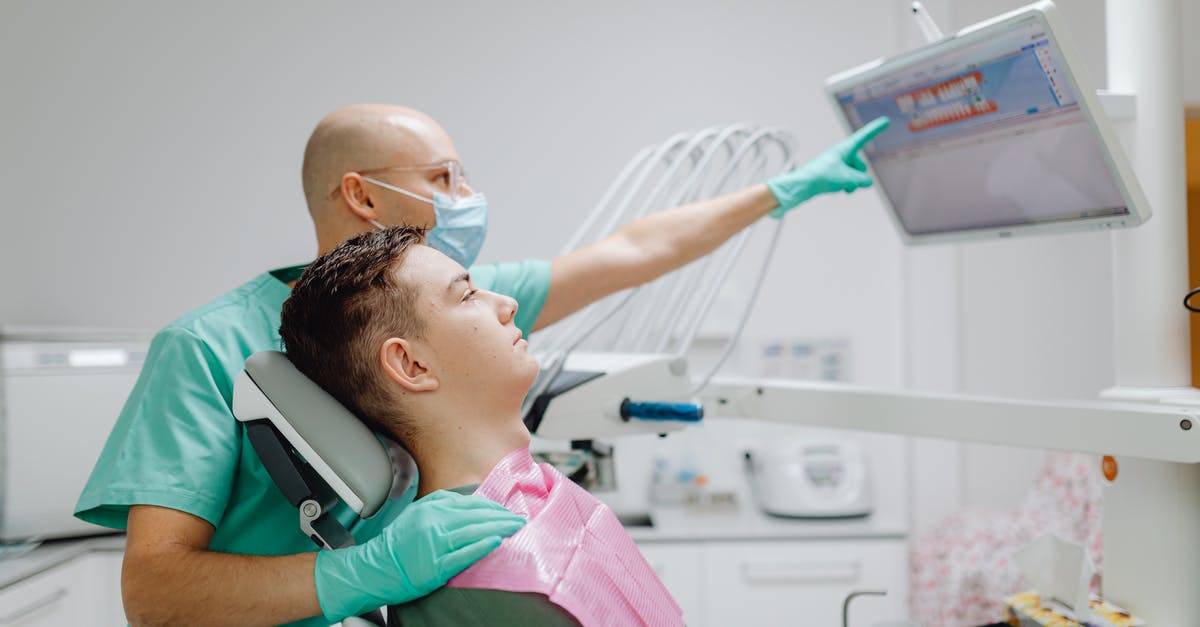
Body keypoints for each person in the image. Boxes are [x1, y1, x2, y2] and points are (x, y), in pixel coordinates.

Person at [75, 102, 888, 626]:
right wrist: (365, 571)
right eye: (443, 179)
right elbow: (153, 593)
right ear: (360, 195)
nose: (466, 197)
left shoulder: (444, 303)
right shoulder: (208, 348)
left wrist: (781, 192)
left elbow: (633, 250)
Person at [279, 226, 683, 626]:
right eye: (468, 295)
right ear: (412, 365)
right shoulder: (473, 573)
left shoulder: (538, 497)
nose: (507, 304)